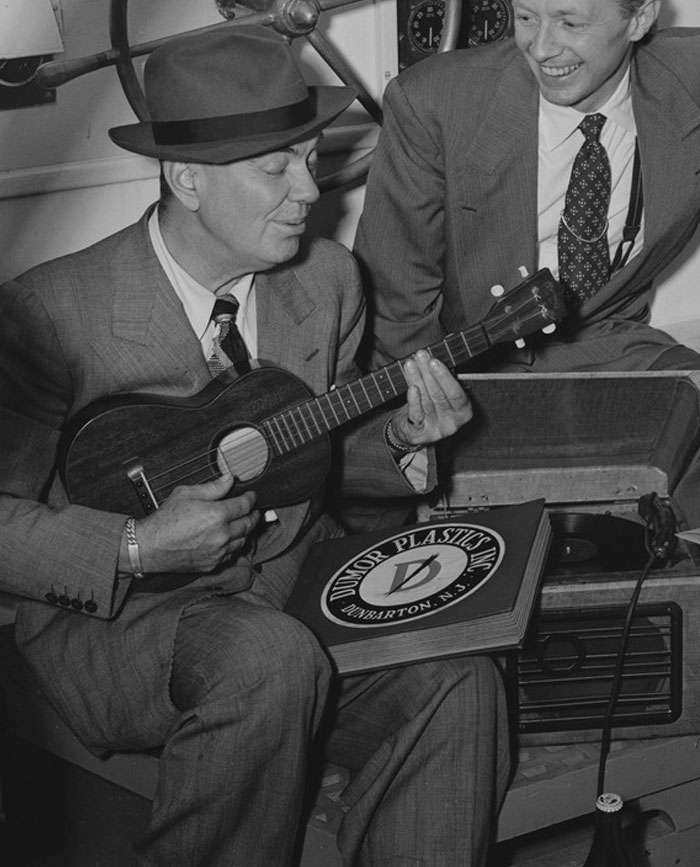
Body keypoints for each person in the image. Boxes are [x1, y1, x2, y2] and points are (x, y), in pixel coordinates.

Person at [0, 25, 510, 867]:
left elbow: (322, 460)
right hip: (128, 623)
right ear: (185, 176)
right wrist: (135, 544)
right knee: (268, 662)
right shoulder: (50, 314)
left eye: (309, 157)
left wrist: (406, 442)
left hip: (287, 589)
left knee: (460, 680)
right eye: (276, 167)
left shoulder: (328, 282)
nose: (308, 190)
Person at [354, 0, 700, 376]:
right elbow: (397, 307)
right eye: (526, 18)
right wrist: (426, 408)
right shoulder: (432, 103)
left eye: (570, 23)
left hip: (615, 343)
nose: (541, 48)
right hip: (469, 363)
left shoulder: (686, 76)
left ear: (640, 18)